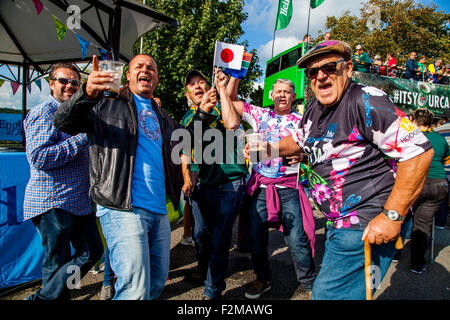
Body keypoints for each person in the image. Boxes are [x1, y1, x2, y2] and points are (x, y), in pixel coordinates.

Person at [255, 40, 433, 300]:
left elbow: (418, 152)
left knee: (326, 296)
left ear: (348, 68)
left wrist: (392, 216)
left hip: (364, 221)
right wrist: (267, 149)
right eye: (312, 72)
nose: (320, 76)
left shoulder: (366, 100)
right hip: (338, 221)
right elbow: (298, 141)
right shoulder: (316, 107)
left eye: (328, 67)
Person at [53, 54, 213, 300]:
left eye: (151, 67)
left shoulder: (161, 114)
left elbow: (184, 140)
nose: (145, 70)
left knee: (156, 284)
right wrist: (86, 92)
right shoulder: (108, 102)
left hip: (158, 210)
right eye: (138, 66)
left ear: (157, 78)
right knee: (134, 290)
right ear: (128, 75)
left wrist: (201, 114)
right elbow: (64, 122)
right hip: (122, 207)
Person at [217, 72, 316, 299]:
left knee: (297, 239)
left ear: (293, 97)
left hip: (289, 187)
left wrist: (303, 156)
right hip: (260, 188)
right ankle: (262, 278)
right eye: (278, 91)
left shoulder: (303, 121)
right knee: (256, 237)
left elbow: (315, 150)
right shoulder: (258, 114)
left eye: (287, 92)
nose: (282, 95)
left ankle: (310, 284)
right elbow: (231, 103)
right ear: (271, 95)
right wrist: (235, 76)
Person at [23, 62, 103, 300]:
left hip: (79, 201)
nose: (69, 85)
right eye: (63, 81)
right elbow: (39, 157)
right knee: (55, 262)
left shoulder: (82, 113)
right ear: (51, 84)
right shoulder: (43, 112)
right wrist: (80, 140)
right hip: (53, 201)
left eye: (75, 82)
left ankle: (49, 296)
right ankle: (47, 298)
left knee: (92, 251)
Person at [180, 69, 248, 299]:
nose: (197, 86)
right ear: (187, 92)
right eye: (192, 84)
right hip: (202, 186)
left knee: (219, 241)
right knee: (200, 235)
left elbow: (231, 125)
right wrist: (187, 176)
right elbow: (183, 149)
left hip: (229, 183)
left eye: (201, 82)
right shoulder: (187, 118)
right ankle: (204, 268)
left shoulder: (223, 106)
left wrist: (221, 89)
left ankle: (212, 291)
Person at [410, 109, 449, 272]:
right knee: (423, 224)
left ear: (415, 120)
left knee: (403, 218)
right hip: (439, 184)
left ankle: (395, 254)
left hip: (417, 183)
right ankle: (418, 263)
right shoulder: (440, 139)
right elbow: (446, 161)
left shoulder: (410, 137)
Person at [431, 108, 450, 229]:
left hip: (443, 171)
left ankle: (440, 223)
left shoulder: (437, 132)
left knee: (442, 197)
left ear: (443, 119)